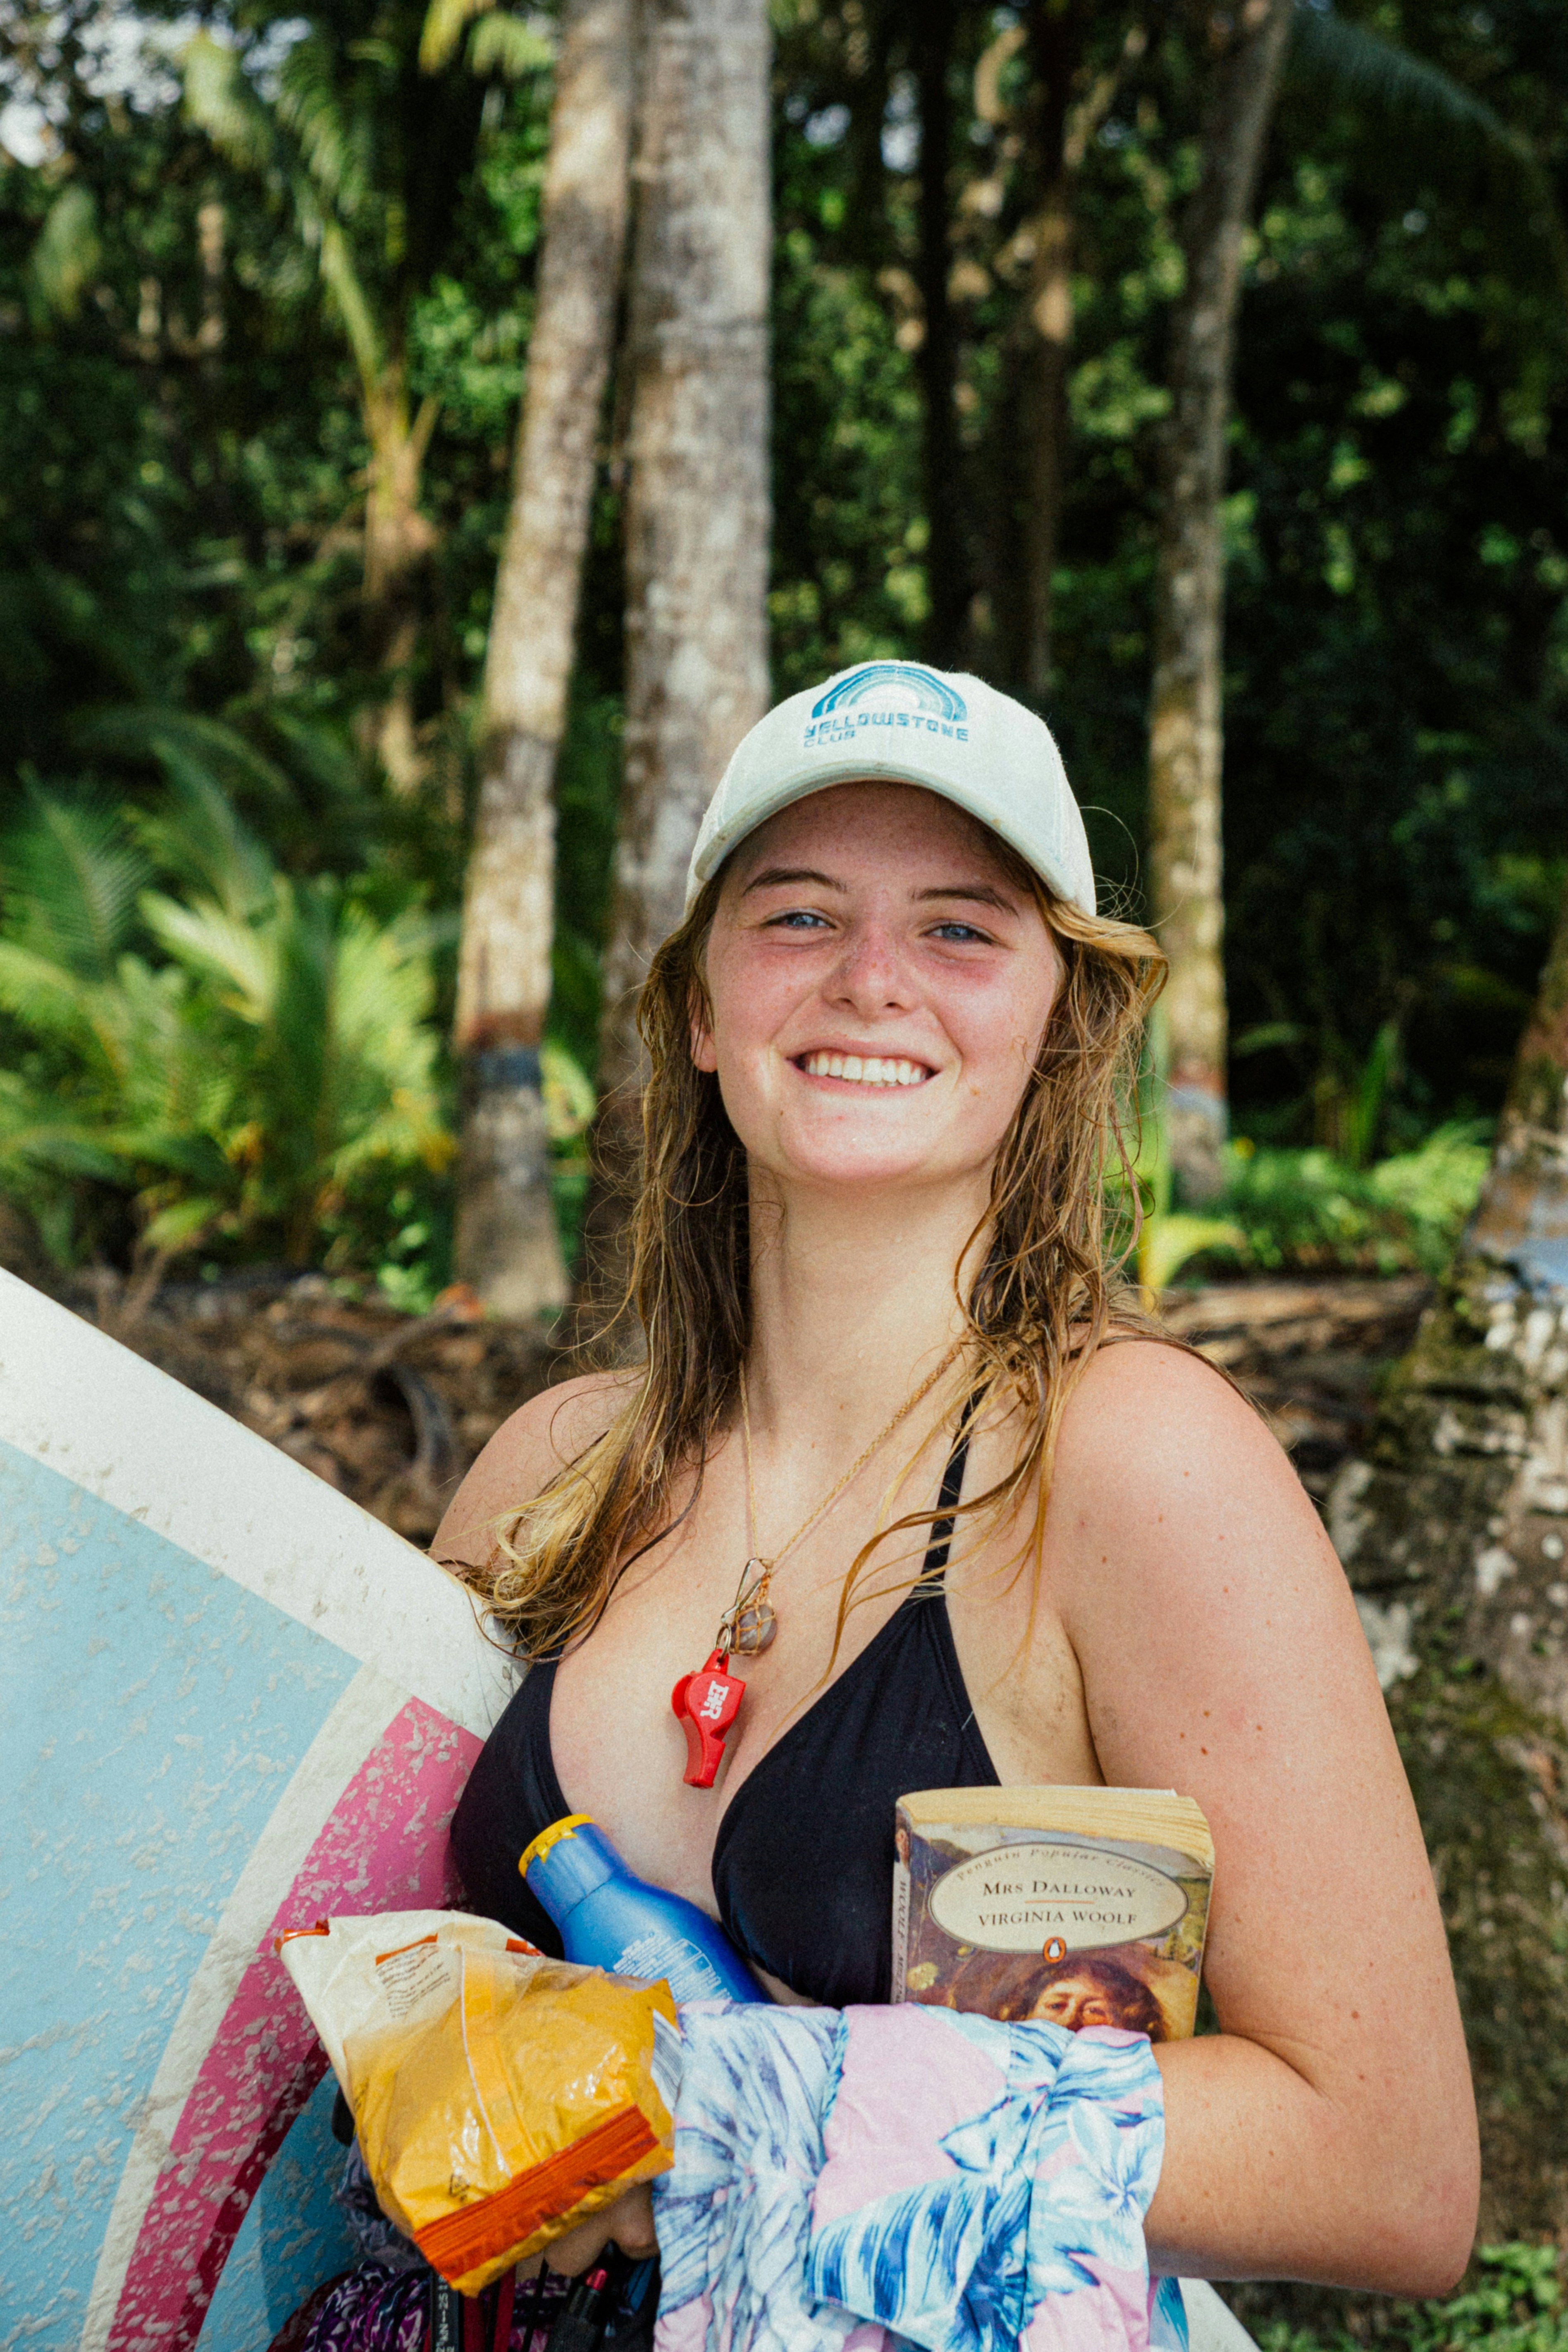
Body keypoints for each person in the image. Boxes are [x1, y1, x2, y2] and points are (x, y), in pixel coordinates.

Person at [435, 663, 1478, 2295]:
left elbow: (1386, 2169)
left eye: (959, 928)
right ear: (701, 1007)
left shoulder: (1131, 1469)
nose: (869, 980)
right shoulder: (549, 1474)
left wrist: (730, 2109)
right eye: (794, 916)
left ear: (1053, 1016)